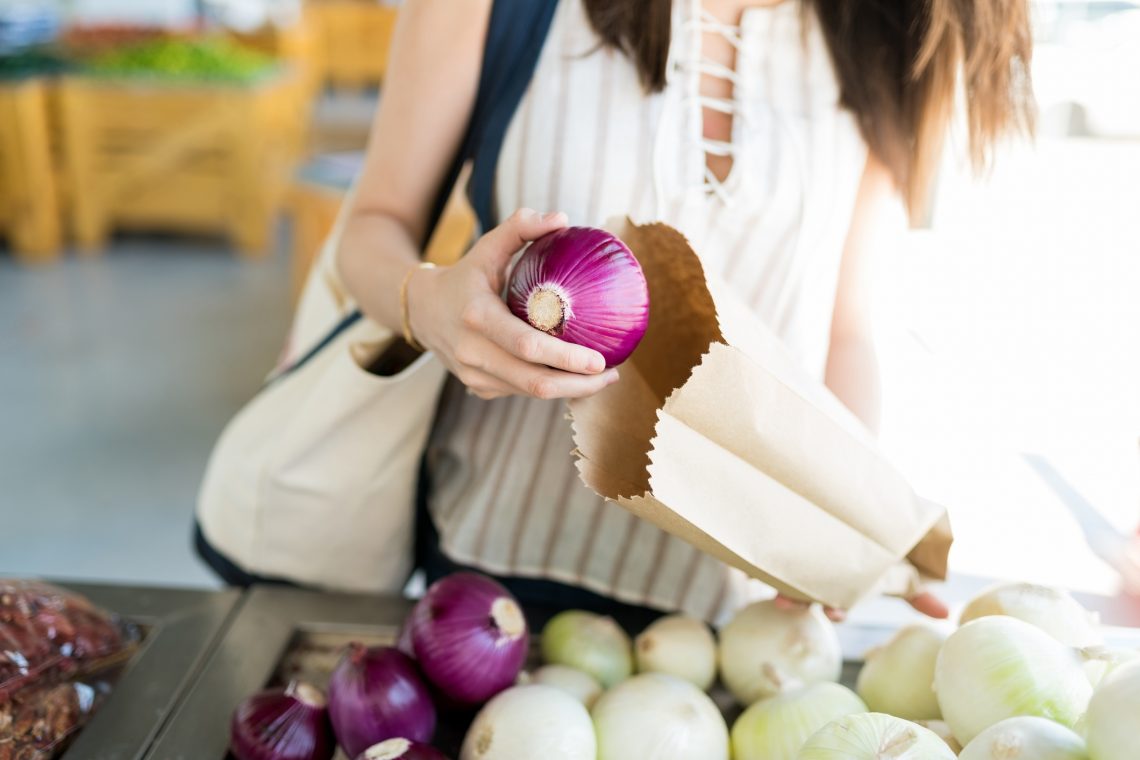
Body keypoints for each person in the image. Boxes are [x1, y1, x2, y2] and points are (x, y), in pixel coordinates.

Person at [333, 0, 1034, 624]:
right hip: (496, 579)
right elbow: (372, 224)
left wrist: (845, 524)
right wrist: (429, 305)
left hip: (736, 610)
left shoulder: (887, 33)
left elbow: (843, 331)